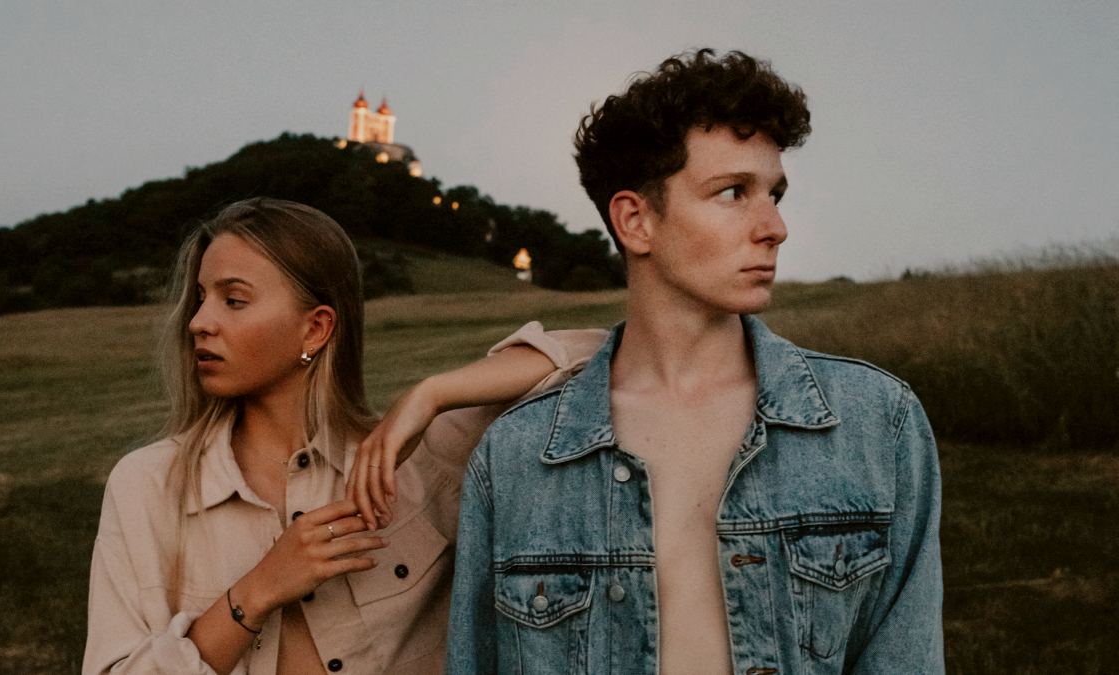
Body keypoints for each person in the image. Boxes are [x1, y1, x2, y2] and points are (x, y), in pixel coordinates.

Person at [447, 49, 944, 674]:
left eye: (775, 193)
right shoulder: (516, 455)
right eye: (733, 192)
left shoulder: (876, 422)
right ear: (635, 220)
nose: (775, 227)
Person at [82, 198, 604, 674]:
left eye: (233, 300)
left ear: (315, 329)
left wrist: (431, 395)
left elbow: (600, 356)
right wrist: (257, 591)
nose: (198, 322)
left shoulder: (417, 461)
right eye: (200, 299)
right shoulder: (147, 487)